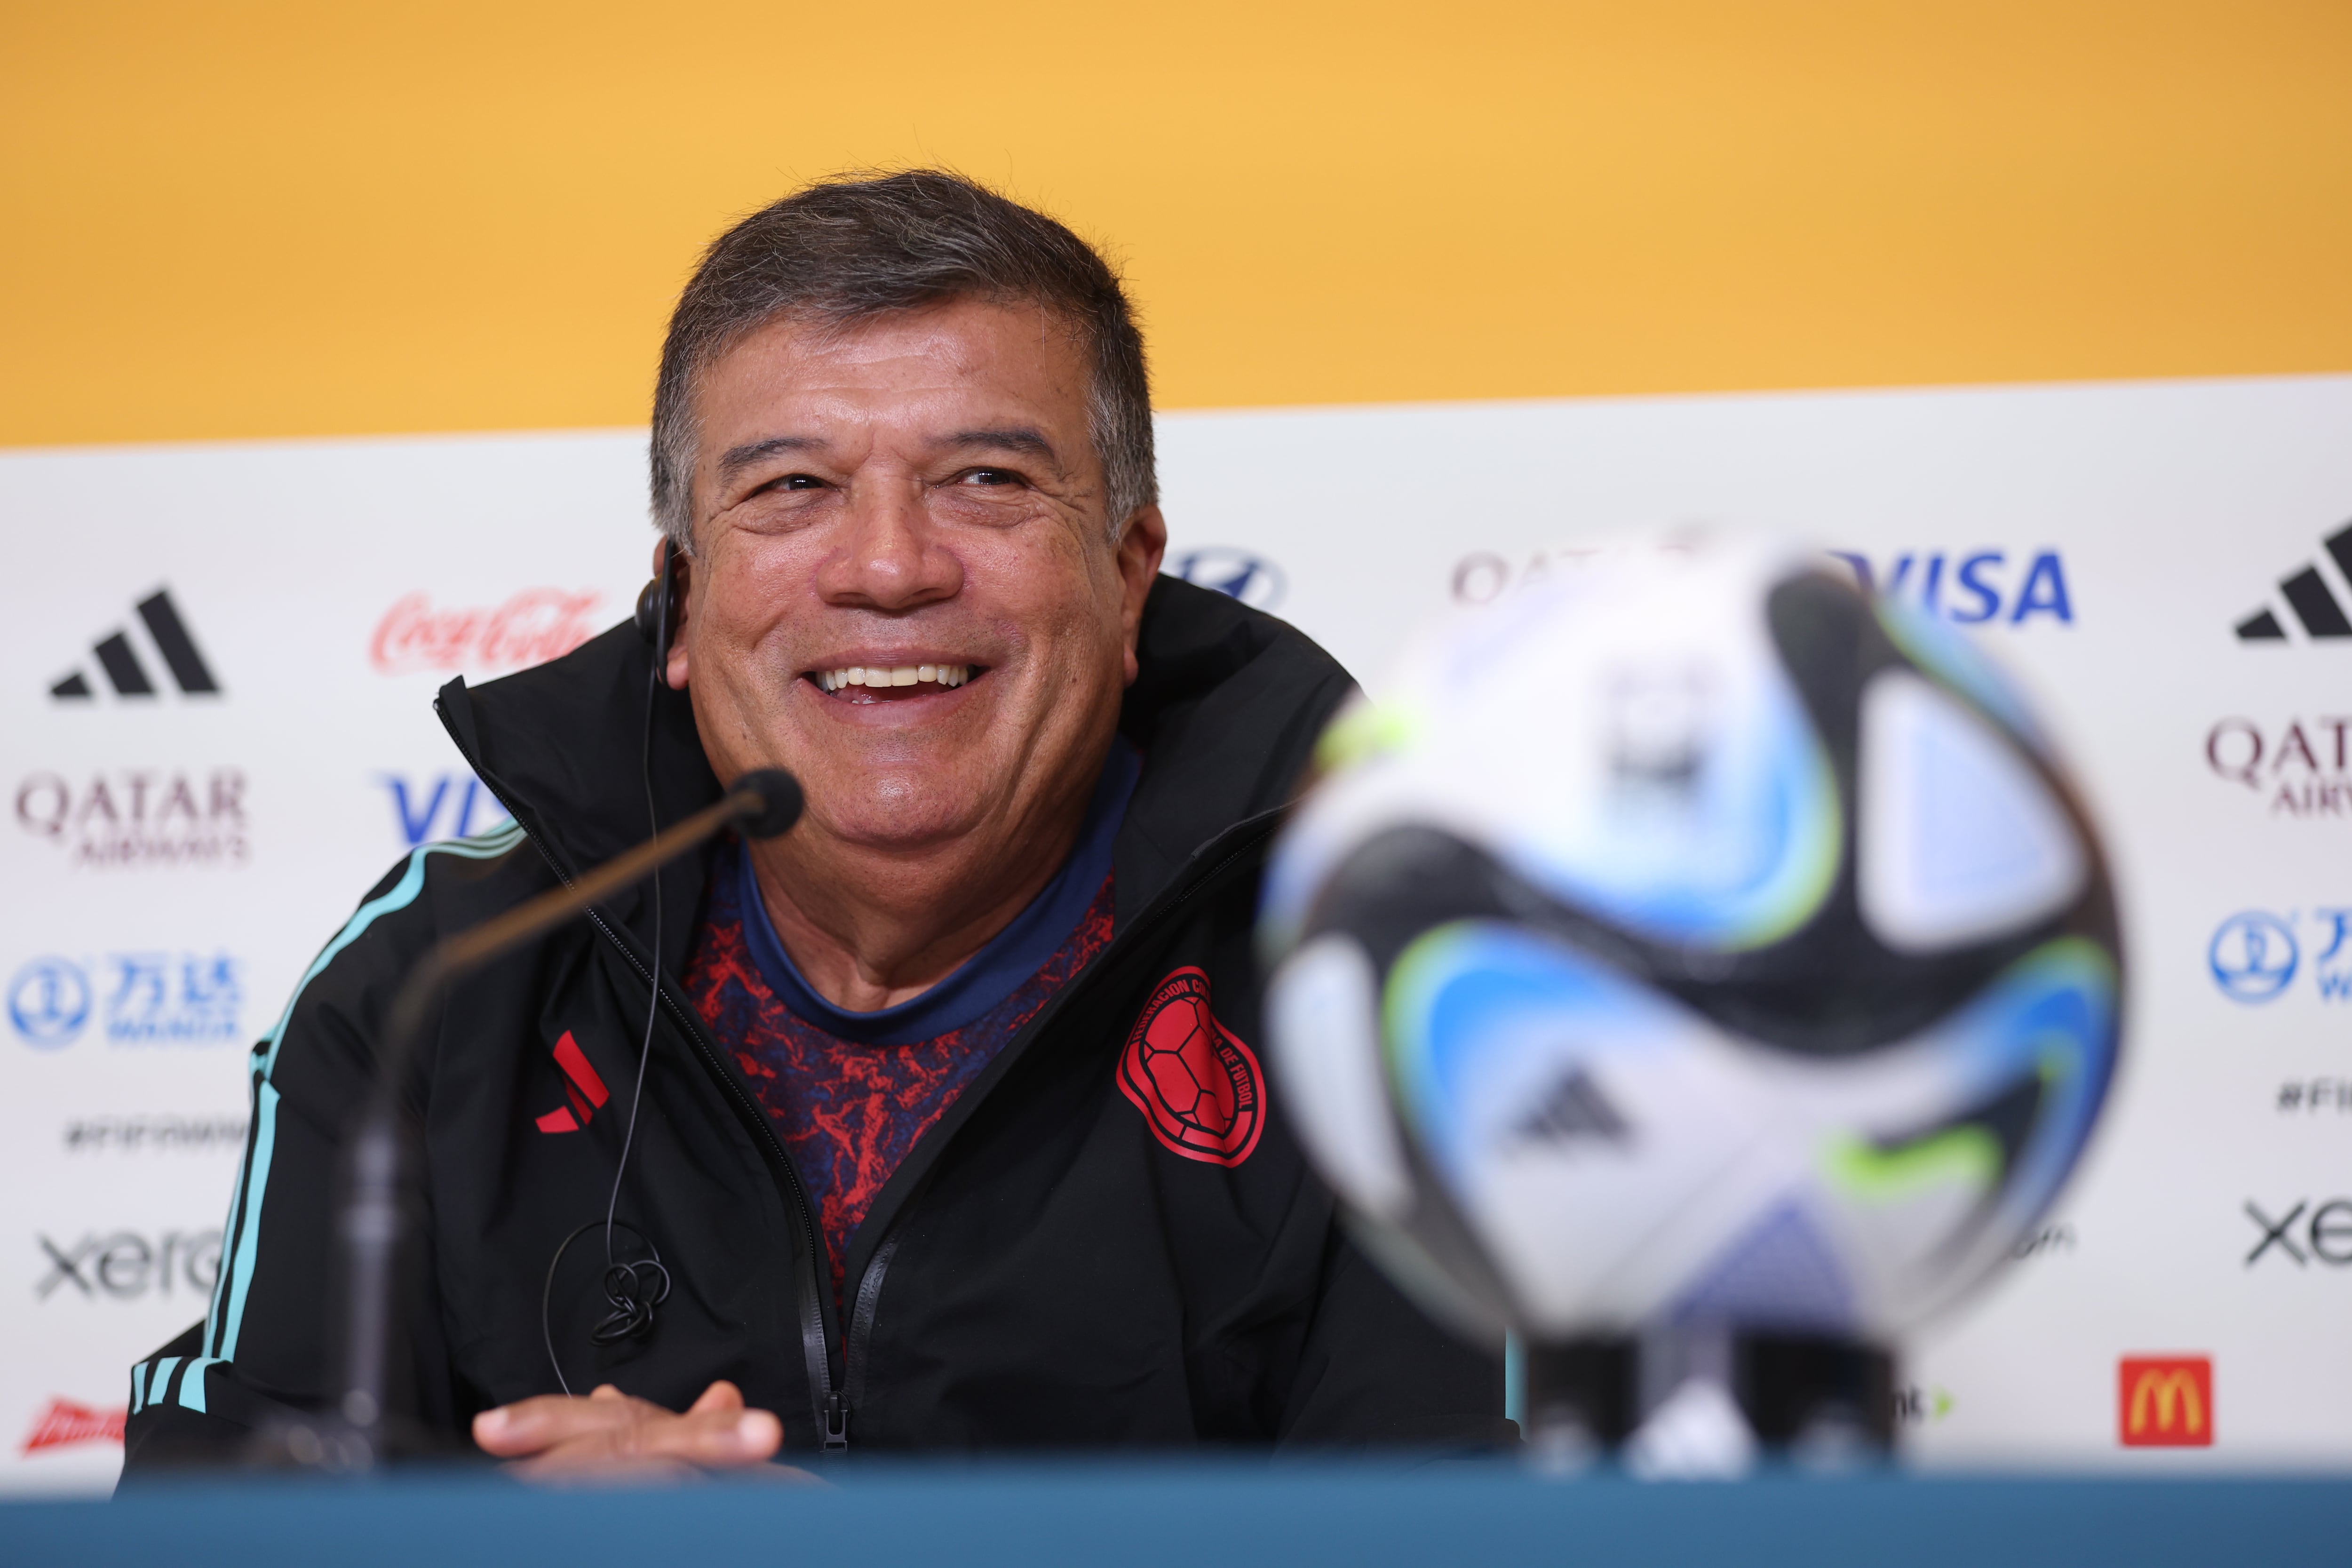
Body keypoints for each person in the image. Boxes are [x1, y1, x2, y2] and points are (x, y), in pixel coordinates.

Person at [123, 171, 1502, 1473]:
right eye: (792, 488)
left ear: (1131, 572)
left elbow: (1475, 1537)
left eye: (988, 480)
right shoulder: (442, 979)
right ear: (679, 597)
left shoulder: (1386, 978)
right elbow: (207, 1510)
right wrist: (506, 1544)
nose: (890, 566)